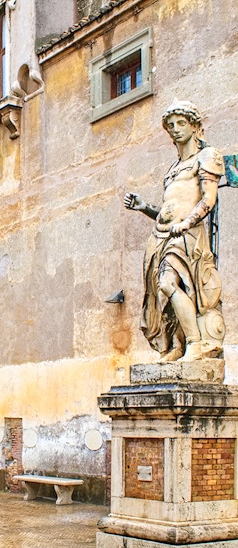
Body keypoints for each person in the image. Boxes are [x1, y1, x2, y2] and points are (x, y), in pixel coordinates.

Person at [124, 100, 225, 362]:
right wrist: (144, 207)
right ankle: (177, 346)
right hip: (162, 236)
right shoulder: (173, 169)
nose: (175, 129)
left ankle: (196, 343)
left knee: (169, 284)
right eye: (171, 125)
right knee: (162, 294)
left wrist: (187, 223)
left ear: (194, 126)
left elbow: (208, 200)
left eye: (181, 123)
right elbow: (167, 210)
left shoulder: (207, 156)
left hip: (186, 236)